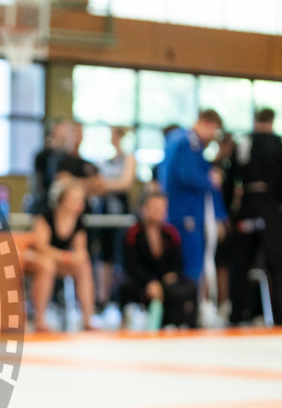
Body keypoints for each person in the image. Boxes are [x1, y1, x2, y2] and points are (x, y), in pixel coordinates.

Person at [157, 110, 227, 293]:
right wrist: (211, 179)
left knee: (183, 265)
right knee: (192, 266)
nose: (213, 137)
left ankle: (188, 309)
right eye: (214, 131)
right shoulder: (188, 142)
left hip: (178, 212)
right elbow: (187, 175)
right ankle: (191, 311)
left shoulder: (176, 138)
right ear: (207, 123)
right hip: (186, 214)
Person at [230, 108, 282, 325]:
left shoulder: (243, 143)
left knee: (240, 265)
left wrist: (229, 209)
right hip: (270, 208)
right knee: (277, 266)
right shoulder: (277, 143)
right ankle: (279, 317)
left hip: (247, 208)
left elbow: (230, 176)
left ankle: (237, 315)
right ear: (271, 121)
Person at [120, 189, 198, 329]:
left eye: (163, 208)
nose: (160, 212)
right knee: (127, 288)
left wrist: (171, 275)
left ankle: (186, 324)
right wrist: (150, 282)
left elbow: (178, 263)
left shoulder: (171, 233)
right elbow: (131, 265)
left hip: (165, 280)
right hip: (141, 280)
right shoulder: (133, 233)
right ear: (144, 209)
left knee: (189, 286)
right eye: (155, 208)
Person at [27, 179, 96, 332]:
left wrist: (77, 257)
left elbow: (80, 249)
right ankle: (39, 320)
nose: (77, 204)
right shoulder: (45, 216)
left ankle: (88, 319)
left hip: (59, 260)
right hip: (36, 258)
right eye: (73, 199)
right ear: (61, 200)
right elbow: (41, 247)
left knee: (84, 266)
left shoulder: (78, 222)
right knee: (47, 265)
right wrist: (67, 257)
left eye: (80, 200)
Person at [93, 126, 137, 307]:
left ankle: (119, 297)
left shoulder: (129, 159)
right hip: (104, 215)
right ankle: (102, 297)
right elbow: (96, 185)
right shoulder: (105, 161)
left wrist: (106, 185)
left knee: (121, 255)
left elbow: (125, 183)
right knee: (104, 255)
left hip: (121, 215)